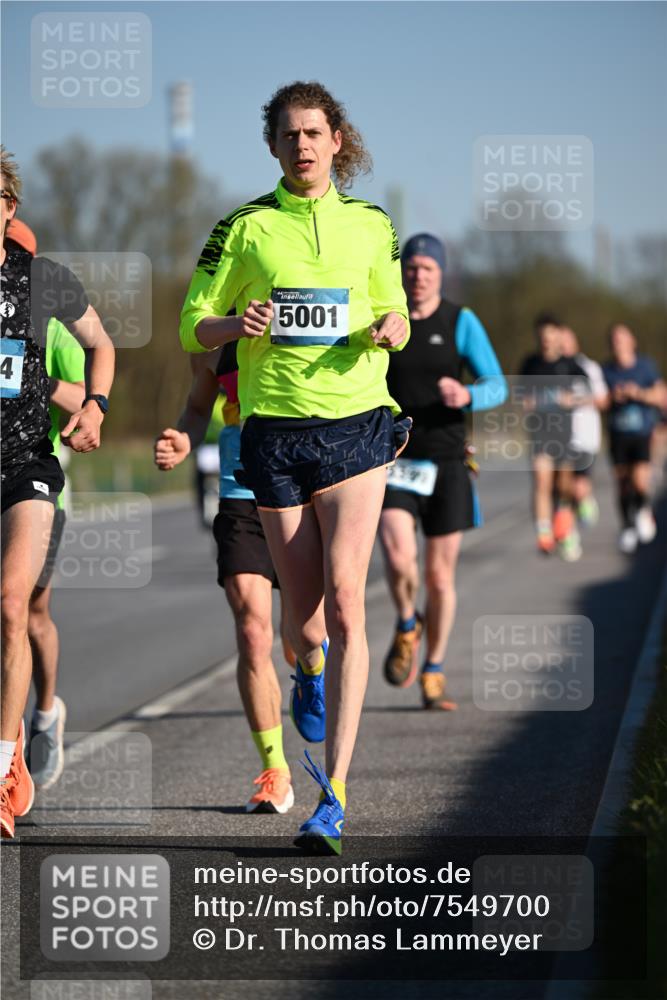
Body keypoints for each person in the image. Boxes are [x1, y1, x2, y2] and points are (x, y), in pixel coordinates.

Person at [180, 81, 410, 854]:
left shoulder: (372, 223)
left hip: (356, 423)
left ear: (336, 140)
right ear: (273, 146)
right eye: (289, 135)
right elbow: (190, 324)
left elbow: (394, 308)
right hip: (273, 434)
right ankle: (306, 669)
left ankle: (332, 796)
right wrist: (231, 322)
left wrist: (392, 325)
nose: (302, 145)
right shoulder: (243, 228)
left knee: (347, 605)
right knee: (303, 623)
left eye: (313, 132)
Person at [154, 343, 326, 814]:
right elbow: (196, 407)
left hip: (303, 488)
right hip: (240, 488)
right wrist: (183, 438)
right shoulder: (216, 338)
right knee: (252, 631)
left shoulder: (307, 315)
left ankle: (311, 669)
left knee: (304, 634)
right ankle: (275, 770)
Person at [0, 148, 115, 838]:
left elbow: (100, 346)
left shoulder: (41, 285)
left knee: (18, 604)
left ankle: (11, 754)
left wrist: (93, 406)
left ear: (9, 209)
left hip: (26, 469)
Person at [379, 233, 506, 709]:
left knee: (438, 577)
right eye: (411, 267)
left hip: (448, 459)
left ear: (440, 273)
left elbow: (497, 385)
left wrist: (469, 394)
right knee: (398, 556)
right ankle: (407, 622)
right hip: (394, 459)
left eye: (427, 268)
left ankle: (433, 669)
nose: (417, 275)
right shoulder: (384, 317)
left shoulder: (460, 320)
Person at [5, 217, 86, 790]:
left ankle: (46, 711)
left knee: (29, 609)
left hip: (39, 483)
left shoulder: (53, 325)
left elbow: (82, 397)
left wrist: (34, 378)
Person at [519, 313, 590, 561]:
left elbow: (590, 395)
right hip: (540, 434)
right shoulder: (530, 364)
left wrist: (573, 400)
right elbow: (519, 396)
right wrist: (527, 403)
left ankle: (564, 524)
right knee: (542, 482)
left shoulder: (571, 365)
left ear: (559, 336)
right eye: (542, 336)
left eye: (551, 335)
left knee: (563, 486)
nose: (546, 340)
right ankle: (544, 533)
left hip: (565, 435)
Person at [601, 323, 666, 553]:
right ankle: (627, 525)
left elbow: (661, 395)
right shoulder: (606, 370)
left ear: (632, 342)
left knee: (639, 479)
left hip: (641, 433)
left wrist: (637, 393)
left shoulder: (646, 366)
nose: (618, 344)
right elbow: (599, 401)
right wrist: (613, 396)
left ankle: (643, 510)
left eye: (621, 339)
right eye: (614, 340)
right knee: (622, 484)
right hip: (617, 434)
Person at [560, 326, 607, 527]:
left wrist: (574, 400)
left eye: (566, 340)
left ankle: (584, 500)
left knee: (578, 487)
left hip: (584, 436)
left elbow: (602, 400)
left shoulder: (589, 367)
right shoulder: (552, 369)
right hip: (558, 437)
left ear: (575, 342)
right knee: (562, 487)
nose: (562, 345)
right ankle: (568, 529)